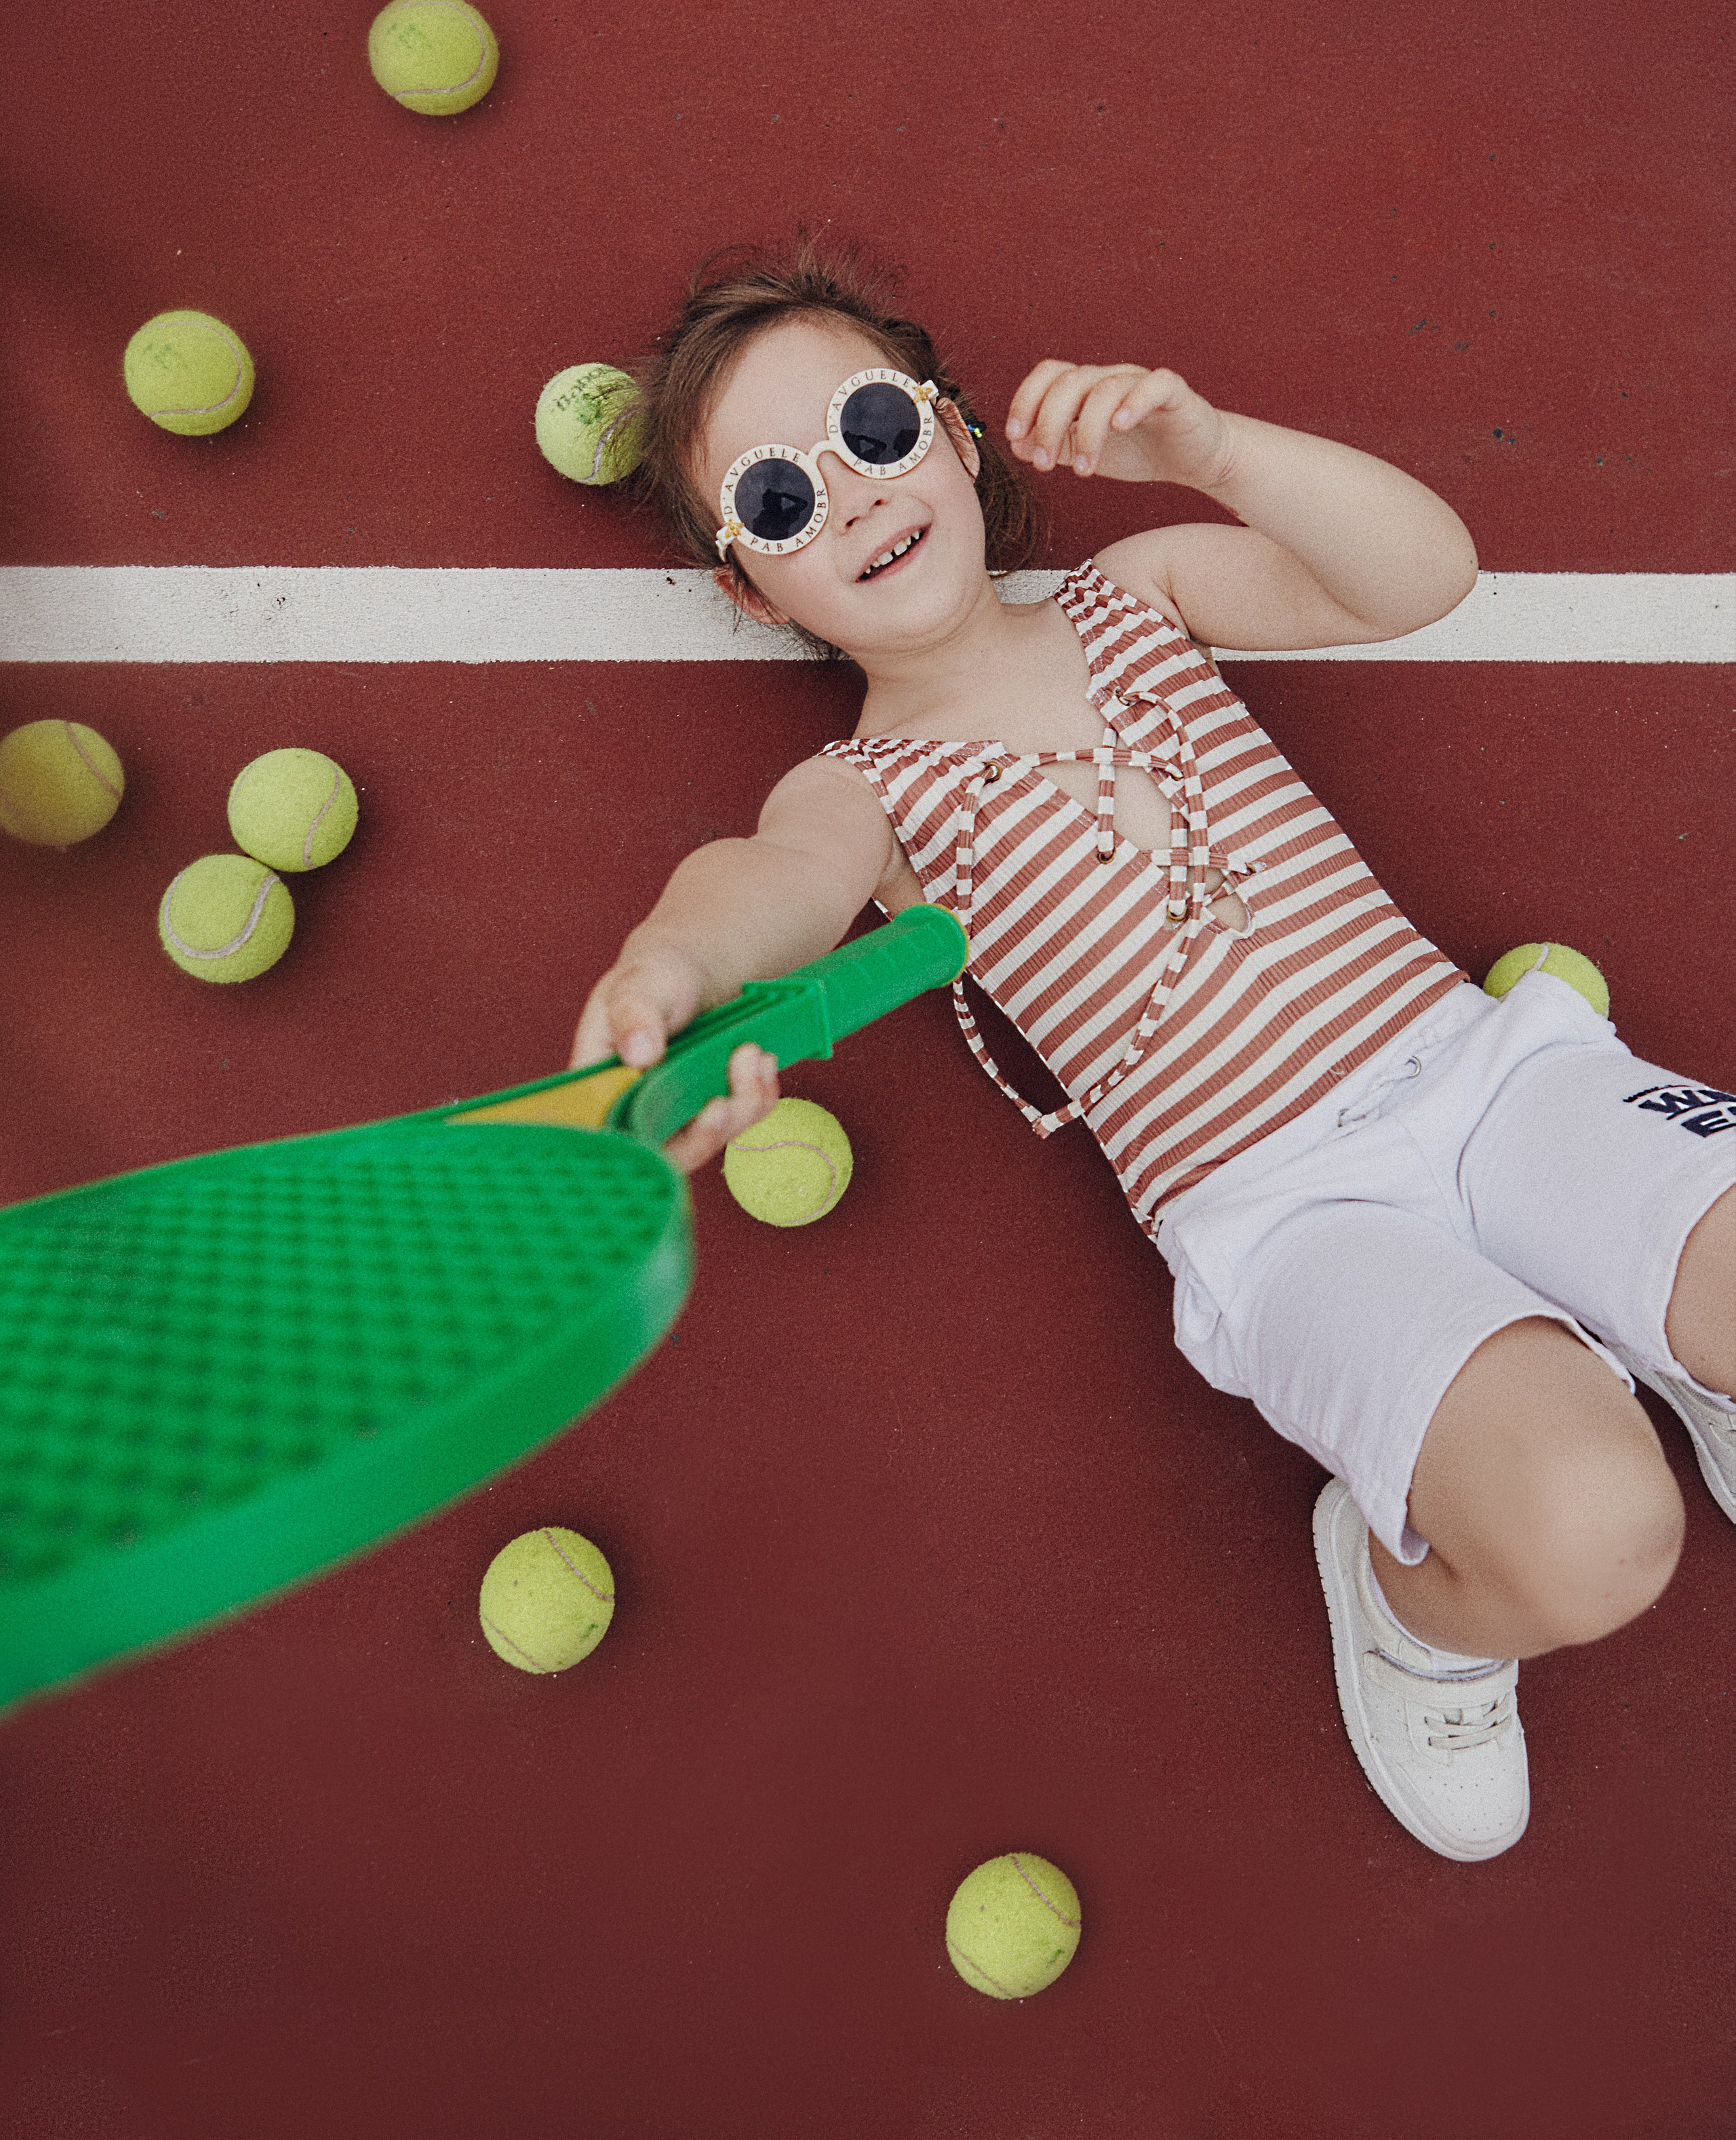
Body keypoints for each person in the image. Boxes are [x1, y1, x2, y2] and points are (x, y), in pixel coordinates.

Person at [571, 234, 1735, 1864]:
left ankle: (1674, 1337)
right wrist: (672, 964)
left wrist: (1208, 448)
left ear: (955, 439)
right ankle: (1415, 1615)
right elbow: (768, 881)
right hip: (1290, 1219)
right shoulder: (870, 794)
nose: (845, 495)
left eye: (874, 434)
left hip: (1488, 1080)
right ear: (750, 585)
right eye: (775, 499)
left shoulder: (1144, 598)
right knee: (1597, 1541)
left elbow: (1423, 572)